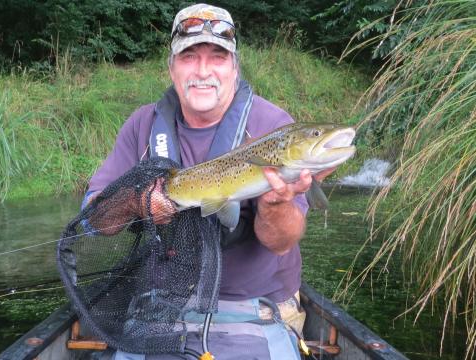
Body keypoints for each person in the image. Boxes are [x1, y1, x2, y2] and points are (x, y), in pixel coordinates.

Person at [83, 3, 335, 358]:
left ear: (234, 67)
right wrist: (137, 203)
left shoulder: (274, 127)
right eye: (189, 56)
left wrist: (275, 203)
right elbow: (94, 220)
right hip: (158, 305)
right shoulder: (141, 126)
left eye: (217, 56)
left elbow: (282, 242)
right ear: (172, 68)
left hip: (255, 303)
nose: (203, 70)